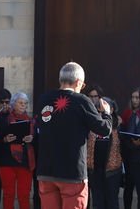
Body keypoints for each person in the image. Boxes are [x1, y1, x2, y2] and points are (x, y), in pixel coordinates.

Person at [33, 61, 112, 209]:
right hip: (72, 173)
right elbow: (104, 129)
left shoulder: (44, 99)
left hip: (46, 171)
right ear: (79, 82)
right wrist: (107, 113)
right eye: (82, 86)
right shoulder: (81, 101)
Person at [0, 91, 36, 209]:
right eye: (20, 103)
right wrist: (5, 139)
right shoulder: (4, 119)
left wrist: (32, 139)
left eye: (25, 103)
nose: (23, 105)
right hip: (7, 161)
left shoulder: (32, 121)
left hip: (25, 162)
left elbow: (37, 141)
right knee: (9, 194)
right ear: (13, 104)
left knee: (24, 195)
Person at [119, 89, 140, 209]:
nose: (135, 100)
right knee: (129, 186)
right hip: (129, 154)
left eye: (137, 97)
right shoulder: (127, 113)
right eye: (133, 97)